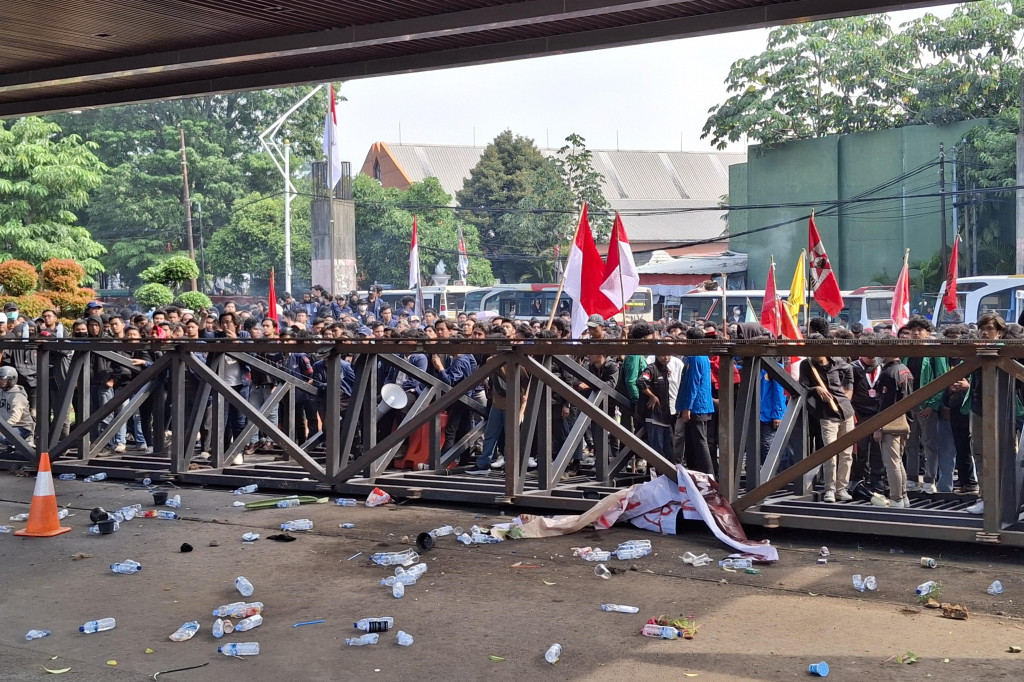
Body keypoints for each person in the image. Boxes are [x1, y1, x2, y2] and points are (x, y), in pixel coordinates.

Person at [799, 338, 855, 503]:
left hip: (845, 411)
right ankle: (829, 489)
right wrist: (815, 388)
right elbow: (802, 386)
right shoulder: (807, 365)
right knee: (829, 453)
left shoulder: (837, 361)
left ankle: (841, 488)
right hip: (826, 413)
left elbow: (849, 372)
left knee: (846, 453)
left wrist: (849, 391)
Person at [902, 316, 951, 494]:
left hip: (927, 406)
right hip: (908, 405)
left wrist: (933, 404)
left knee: (930, 443)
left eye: (920, 330)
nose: (916, 333)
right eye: (913, 329)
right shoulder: (906, 353)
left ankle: (930, 479)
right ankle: (912, 479)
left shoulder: (934, 353)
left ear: (928, 333)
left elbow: (943, 379)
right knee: (910, 443)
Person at [874, 354, 914, 507]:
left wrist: (879, 427)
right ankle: (903, 496)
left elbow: (885, 403)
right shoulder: (905, 369)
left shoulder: (888, 373)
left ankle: (896, 498)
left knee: (891, 463)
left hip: (891, 422)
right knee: (898, 461)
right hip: (905, 420)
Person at [676, 327, 715, 474]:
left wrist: (687, 407)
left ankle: (707, 473)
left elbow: (692, 383)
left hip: (696, 406)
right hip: (701, 404)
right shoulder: (703, 356)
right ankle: (697, 471)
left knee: (699, 441)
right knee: (695, 441)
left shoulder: (694, 357)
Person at [0, 366, 34, 453]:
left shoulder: (17, 396)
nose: (1, 382)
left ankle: (25, 442)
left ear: (12, 379)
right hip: (7, 427)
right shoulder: (2, 392)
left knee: (2, 437)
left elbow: (15, 417)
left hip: (22, 427)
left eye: (4, 380)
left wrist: (2, 429)